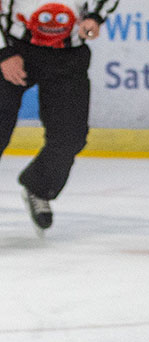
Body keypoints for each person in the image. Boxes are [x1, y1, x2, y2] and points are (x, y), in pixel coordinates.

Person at [0, 0, 117, 233]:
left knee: (70, 137)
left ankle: (39, 186)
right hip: (15, 47)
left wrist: (94, 16)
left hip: (68, 56)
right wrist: (3, 52)